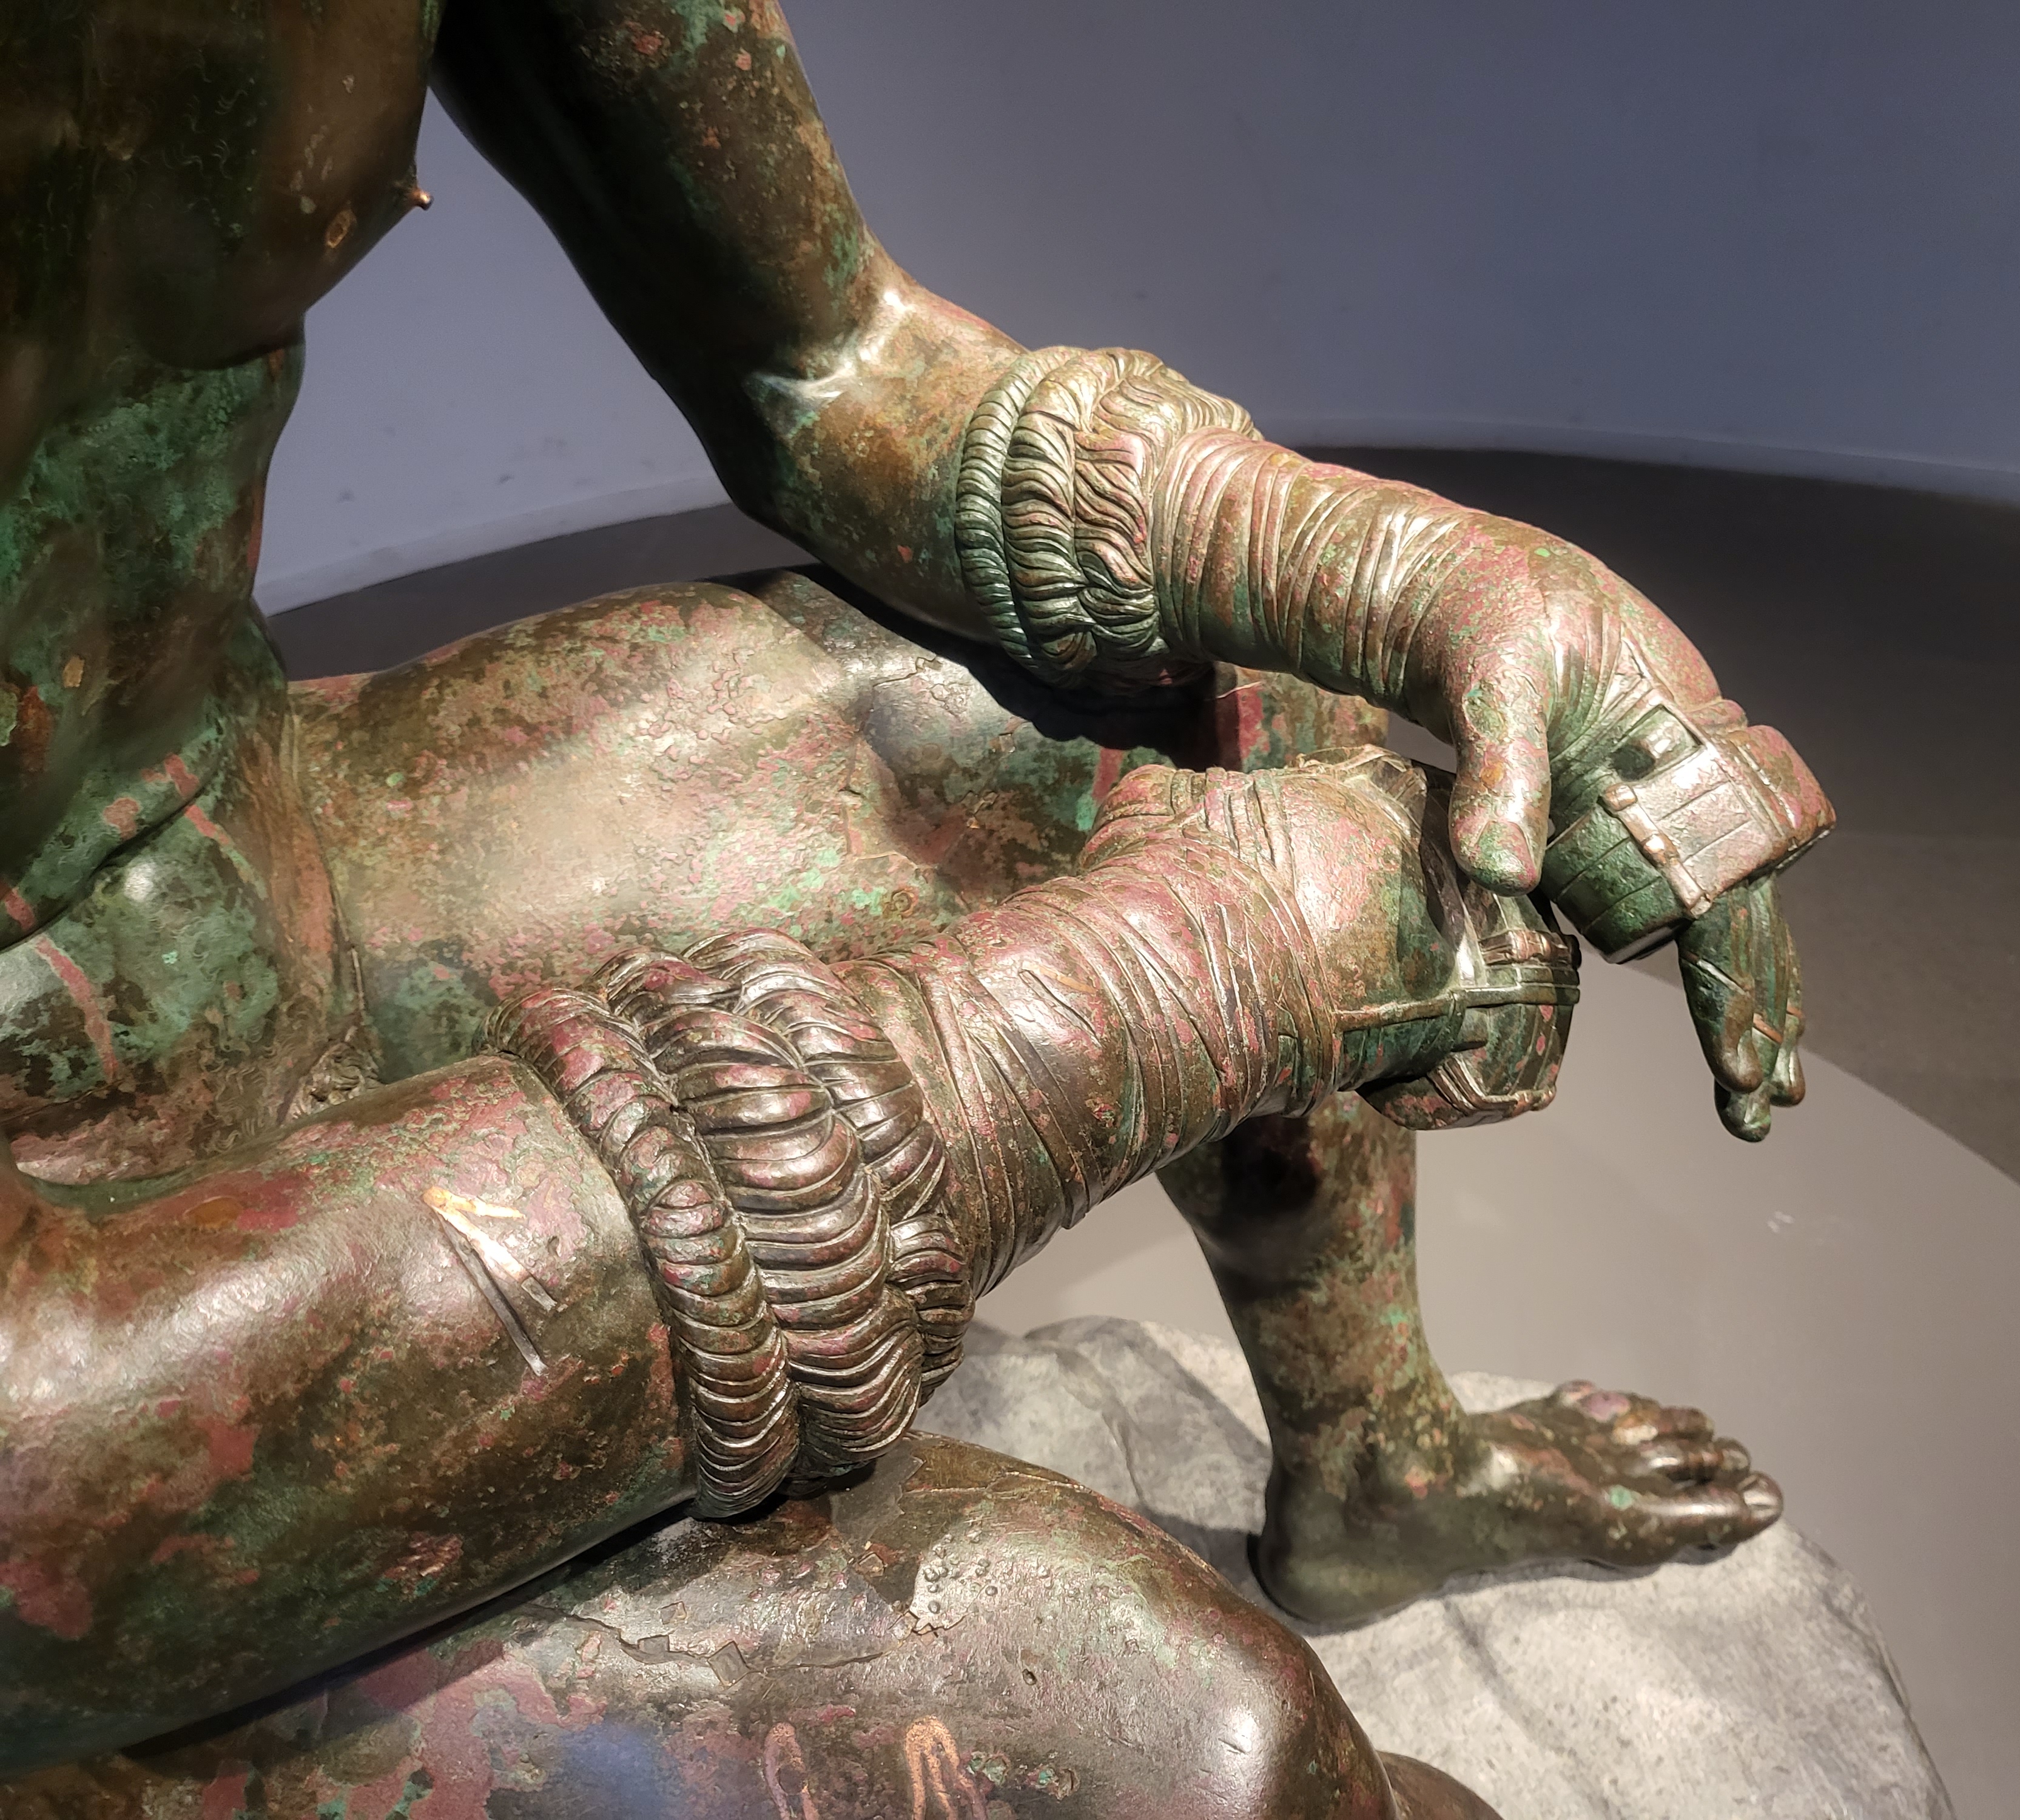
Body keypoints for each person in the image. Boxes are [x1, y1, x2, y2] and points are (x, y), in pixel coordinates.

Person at [0, 0, 1828, 1810]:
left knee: (1223, 683)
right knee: (1220, 1766)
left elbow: (830, 357)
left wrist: (1374, 565)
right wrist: (1169, 985)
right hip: (75, 1417)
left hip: (253, 863)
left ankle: (1374, 1468)